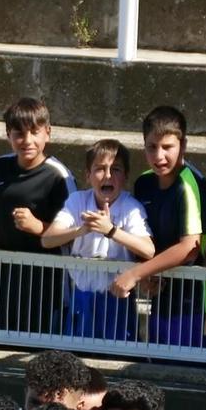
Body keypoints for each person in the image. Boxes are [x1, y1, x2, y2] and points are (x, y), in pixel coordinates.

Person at [0, 97, 75, 335]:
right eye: (19, 133)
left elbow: (76, 234)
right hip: (6, 278)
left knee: (42, 356)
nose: (27, 140)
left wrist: (38, 226)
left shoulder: (60, 177)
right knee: (0, 345)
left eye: (34, 132)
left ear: (48, 133)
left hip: (48, 283)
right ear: (8, 135)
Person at [114, 106, 206, 347]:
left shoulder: (188, 185)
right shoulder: (144, 183)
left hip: (195, 298)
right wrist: (146, 271)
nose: (159, 156)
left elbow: (189, 247)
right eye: (152, 147)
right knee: (158, 366)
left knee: (183, 373)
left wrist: (136, 273)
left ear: (184, 145)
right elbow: (144, 238)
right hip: (162, 295)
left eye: (167, 147)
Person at [42, 140, 153, 342]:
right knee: (77, 363)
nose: (108, 175)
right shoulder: (77, 201)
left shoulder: (131, 207)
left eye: (116, 169)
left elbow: (148, 250)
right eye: (100, 169)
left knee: (115, 363)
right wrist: (82, 230)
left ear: (126, 176)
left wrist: (110, 230)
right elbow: (48, 240)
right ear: (88, 175)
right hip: (81, 297)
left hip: (116, 300)